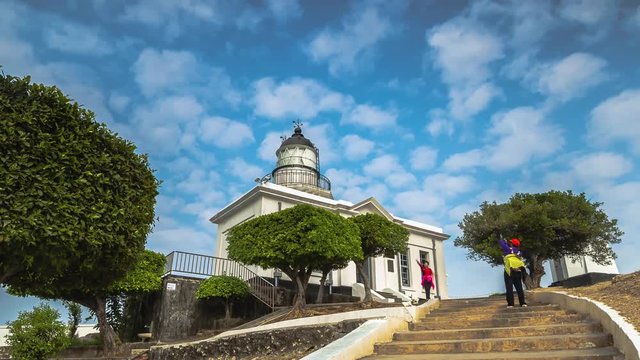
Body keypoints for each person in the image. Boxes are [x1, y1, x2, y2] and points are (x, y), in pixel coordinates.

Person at [499, 237, 527, 308]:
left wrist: (503, 240)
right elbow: (515, 252)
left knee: (509, 288)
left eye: (510, 242)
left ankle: (511, 304)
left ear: (511, 244)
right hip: (518, 271)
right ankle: (523, 303)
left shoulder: (507, 249)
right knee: (519, 287)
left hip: (509, 271)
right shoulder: (519, 252)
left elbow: (501, 243)